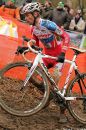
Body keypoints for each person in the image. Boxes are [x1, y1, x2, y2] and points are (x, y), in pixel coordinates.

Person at [21, 2, 70, 123]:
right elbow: (36, 45)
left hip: (57, 57)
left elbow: (66, 37)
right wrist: (25, 47)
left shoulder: (49, 24)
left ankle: (62, 113)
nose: (26, 18)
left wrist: (63, 53)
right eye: (25, 16)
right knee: (31, 76)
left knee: (55, 86)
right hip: (47, 56)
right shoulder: (33, 28)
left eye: (28, 16)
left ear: (36, 13)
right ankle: (47, 93)